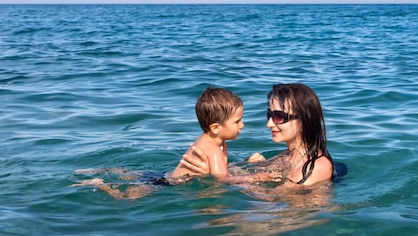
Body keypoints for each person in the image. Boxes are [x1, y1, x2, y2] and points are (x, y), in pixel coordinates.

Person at [72, 87, 279, 199]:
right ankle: (99, 185)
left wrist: (247, 164)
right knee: (126, 198)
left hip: (165, 175)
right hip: (167, 184)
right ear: (216, 127)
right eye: (237, 121)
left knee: (135, 176)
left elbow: (219, 171)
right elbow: (222, 179)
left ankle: (106, 170)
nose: (242, 125)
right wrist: (255, 177)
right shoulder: (213, 149)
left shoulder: (218, 142)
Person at [181, 83, 336, 187]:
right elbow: (235, 176)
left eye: (279, 116)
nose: (269, 123)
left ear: (305, 121)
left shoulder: (316, 167)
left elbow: (274, 200)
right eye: (269, 114)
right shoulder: (285, 157)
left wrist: (217, 180)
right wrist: (208, 171)